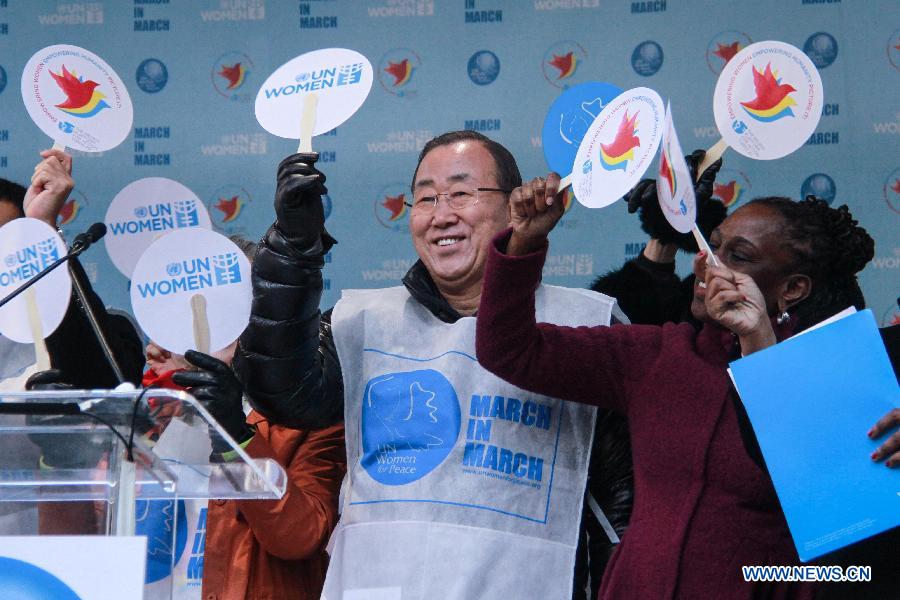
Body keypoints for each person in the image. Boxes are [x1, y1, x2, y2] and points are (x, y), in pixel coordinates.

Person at [234, 131, 632, 598]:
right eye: (425, 198)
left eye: (462, 193)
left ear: (514, 206)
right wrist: (293, 247)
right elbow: (281, 391)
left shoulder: (586, 326)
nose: (442, 214)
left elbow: (623, 508)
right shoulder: (360, 324)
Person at [475, 175, 887, 598]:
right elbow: (508, 350)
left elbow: (859, 568)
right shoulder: (656, 354)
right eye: (712, 244)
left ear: (793, 288)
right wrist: (522, 243)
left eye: (738, 256)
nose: (707, 262)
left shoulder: (836, 383)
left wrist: (758, 580)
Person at [0, 151, 144, 536]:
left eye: (8, 243)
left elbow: (105, 381)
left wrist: (44, 227)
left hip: (54, 559)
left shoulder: (93, 330)